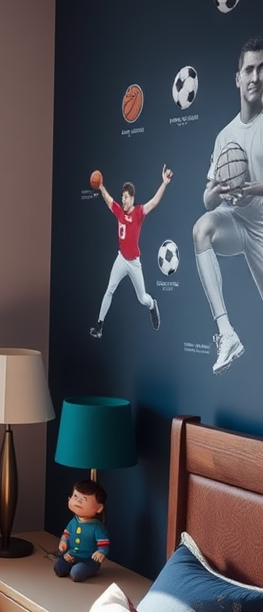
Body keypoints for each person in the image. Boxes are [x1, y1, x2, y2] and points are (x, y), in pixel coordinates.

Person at [192, 38, 263, 375]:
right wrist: (218, 190)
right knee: (201, 229)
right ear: (238, 77)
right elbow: (208, 199)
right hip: (238, 222)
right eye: (249, 69)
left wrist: (253, 189)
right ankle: (227, 333)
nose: (255, 77)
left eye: (262, 69)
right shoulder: (225, 135)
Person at [89, 164, 173, 338]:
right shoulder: (119, 212)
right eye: (122, 197)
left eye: (126, 197)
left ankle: (152, 305)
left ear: (132, 198)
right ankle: (99, 326)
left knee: (142, 298)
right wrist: (101, 186)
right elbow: (107, 198)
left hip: (134, 262)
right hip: (121, 259)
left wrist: (164, 183)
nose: (123, 200)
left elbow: (154, 202)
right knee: (110, 289)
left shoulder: (139, 213)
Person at [54, 480, 109, 581]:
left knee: (76, 573)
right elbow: (67, 534)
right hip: (72, 555)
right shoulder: (74, 521)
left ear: (99, 507)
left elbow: (103, 544)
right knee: (59, 569)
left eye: (84, 499)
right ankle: (70, 564)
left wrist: (101, 552)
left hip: (89, 560)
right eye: (75, 496)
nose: (78, 501)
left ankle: (85, 569)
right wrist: (63, 542)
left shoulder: (97, 527)